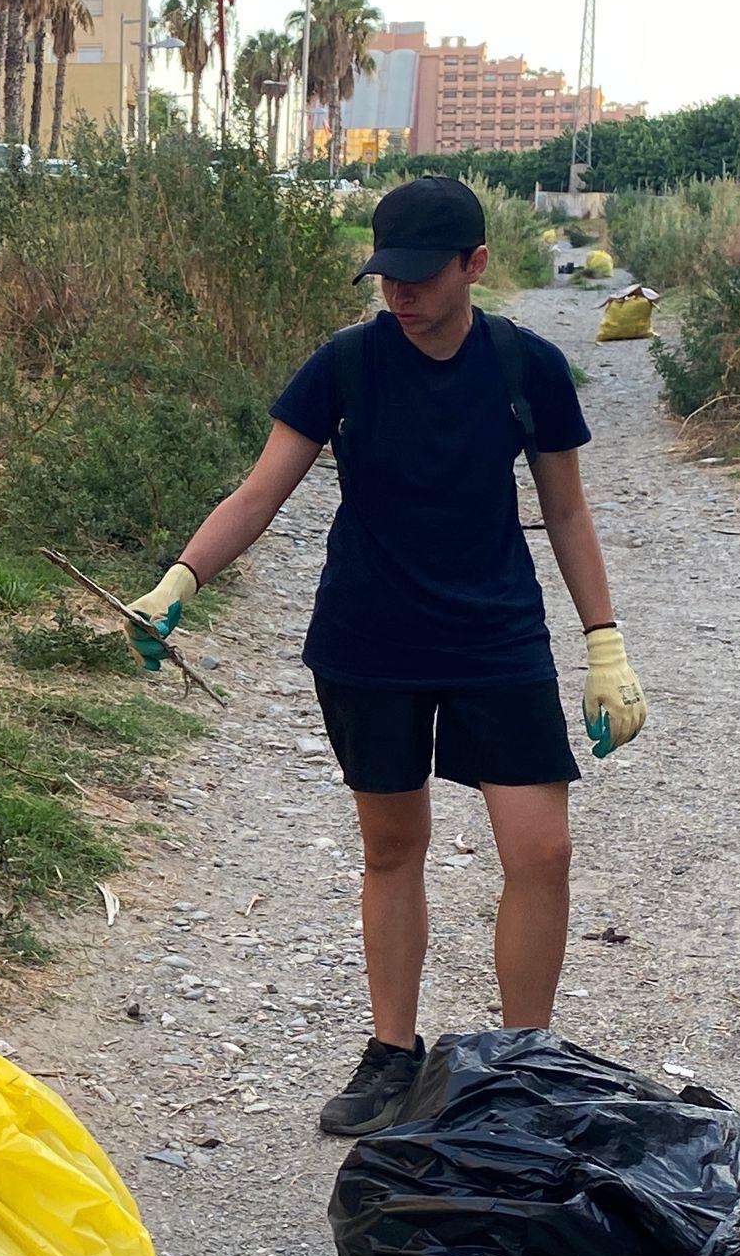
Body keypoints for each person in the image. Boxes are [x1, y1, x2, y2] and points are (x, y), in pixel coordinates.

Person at [124, 175, 645, 1137]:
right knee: (393, 847)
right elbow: (260, 491)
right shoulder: (346, 365)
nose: (398, 292)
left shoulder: (526, 366)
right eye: (385, 274)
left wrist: (603, 641)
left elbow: (567, 512)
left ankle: (522, 1067)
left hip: (496, 635)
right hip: (370, 639)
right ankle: (392, 1054)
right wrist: (179, 581)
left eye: (419, 274)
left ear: (474, 265)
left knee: (543, 851)